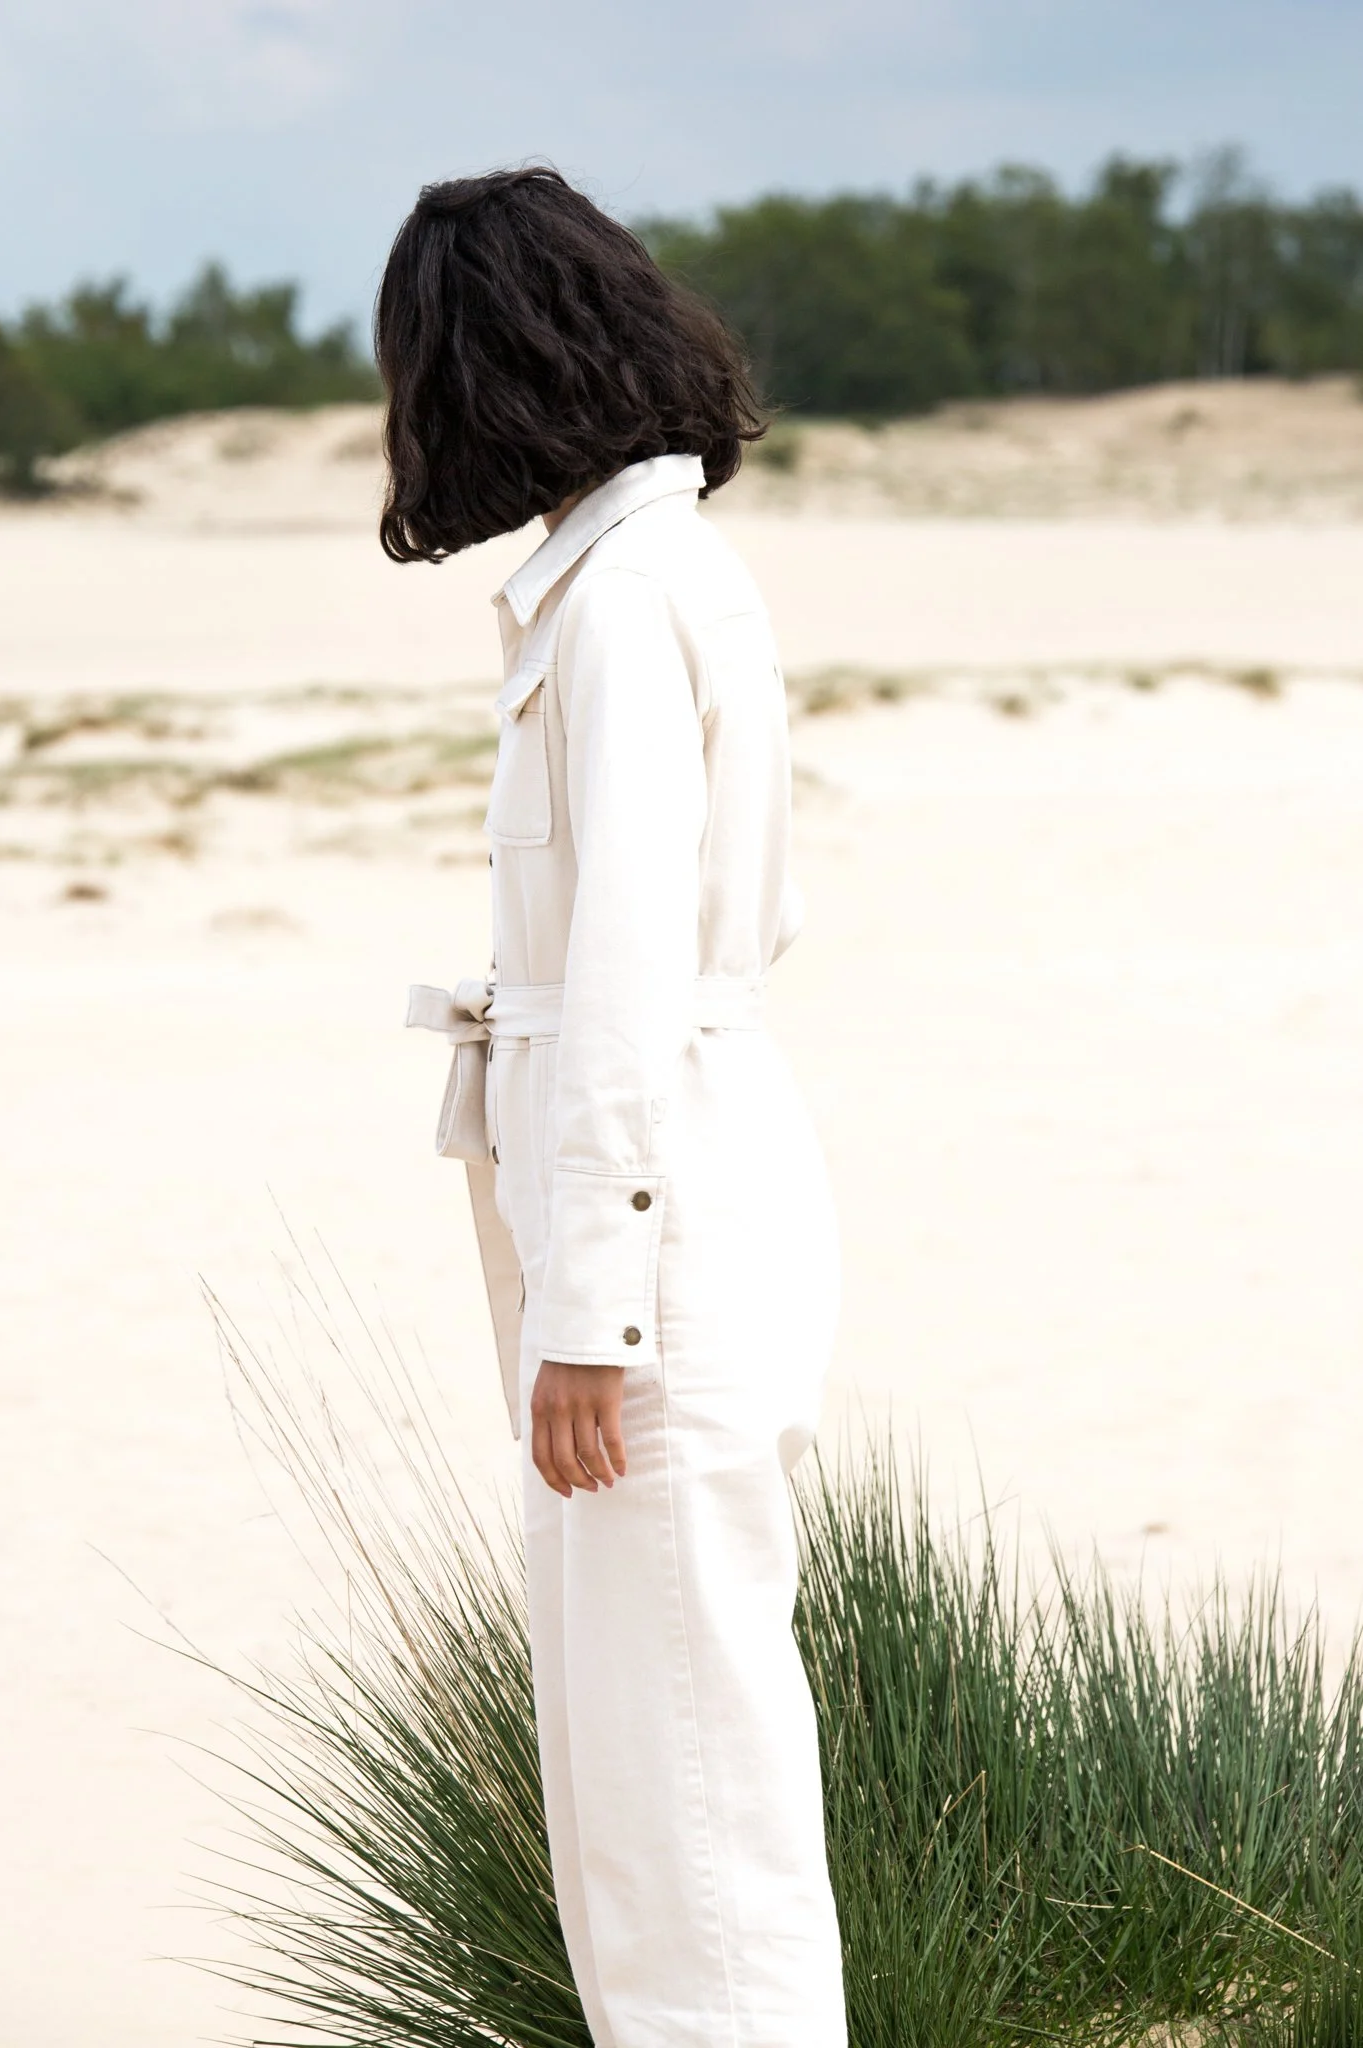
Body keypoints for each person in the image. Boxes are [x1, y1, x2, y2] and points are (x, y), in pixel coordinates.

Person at [377, 167, 846, 2048]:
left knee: (686, 1809)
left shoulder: (627, 598)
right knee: (654, 1799)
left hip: (662, 1248)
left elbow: (642, 969)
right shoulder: (632, 574)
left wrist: (594, 1315)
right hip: (682, 1204)